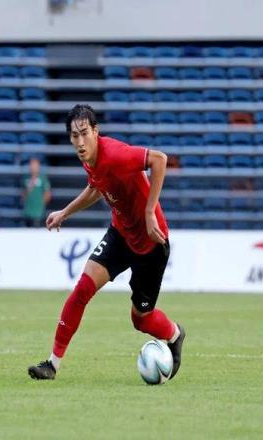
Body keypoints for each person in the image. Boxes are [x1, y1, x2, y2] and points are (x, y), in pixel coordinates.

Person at [28, 105, 185, 380]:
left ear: (95, 131)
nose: (79, 142)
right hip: (120, 235)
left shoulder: (114, 154)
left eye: (84, 133)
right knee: (82, 289)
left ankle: (174, 333)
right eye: (74, 136)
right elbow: (95, 188)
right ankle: (52, 365)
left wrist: (150, 212)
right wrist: (65, 212)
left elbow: (159, 159)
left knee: (141, 320)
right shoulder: (89, 159)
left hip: (151, 242)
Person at [22, 157, 51, 227]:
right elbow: (23, 196)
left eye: (35, 166)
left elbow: (48, 194)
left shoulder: (43, 178)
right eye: (32, 165)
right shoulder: (25, 178)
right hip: (28, 212)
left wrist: (40, 204)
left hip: (39, 213)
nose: (33, 168)